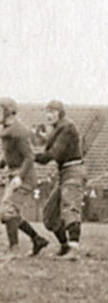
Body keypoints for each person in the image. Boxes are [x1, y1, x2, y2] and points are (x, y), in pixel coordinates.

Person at [0, 97, 49, 259]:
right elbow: (9, 153)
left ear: (8, 111)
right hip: (15, 174)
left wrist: (20, 177)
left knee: (8, 210)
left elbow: (29, 157)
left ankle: (14, 249)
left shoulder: (19, 131)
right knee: (9, 213)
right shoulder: (9, 130)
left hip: (24, 177)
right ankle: (37, 239)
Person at [35, 100, 86, 260]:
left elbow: (52, 155)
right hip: (63, 173)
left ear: (60, 113)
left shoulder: (67, 127)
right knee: (50, 216)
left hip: (74, 171)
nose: (48, 115)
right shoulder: (59, 129)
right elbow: (47, 154)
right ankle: (64, 246)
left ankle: (74, 249)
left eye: (53, 111)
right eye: (47, 111)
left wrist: (28, 156)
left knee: (70, 209)